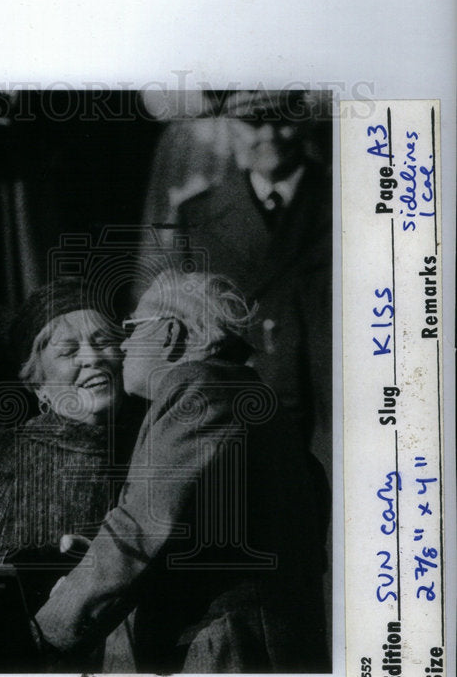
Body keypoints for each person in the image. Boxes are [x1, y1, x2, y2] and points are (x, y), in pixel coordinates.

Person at [34, 270, 329, 674]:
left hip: (223, 658)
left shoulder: (201, 389)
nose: (124, 345)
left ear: (170, 334)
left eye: (132, 328)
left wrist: (48, 628)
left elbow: (141, 528)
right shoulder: (246, 392)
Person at [138, 89, 332, 482]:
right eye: (252, 123)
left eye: (282, 120)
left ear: (306, 121)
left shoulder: (349, 201)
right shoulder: (199, 216)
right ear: (229, 127)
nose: (270, 136)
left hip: (328, 416)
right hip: (245, 417)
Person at [0, 278, 133, 573]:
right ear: (38, 385)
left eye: (104, 342)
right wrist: (43, 565)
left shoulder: (159, 439)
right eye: (68, 351)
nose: (93, 358)